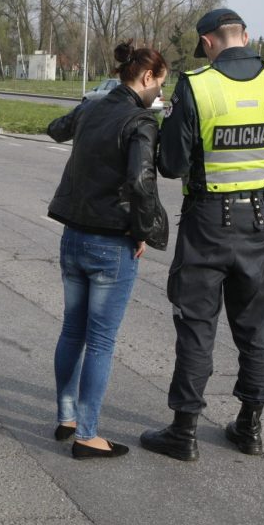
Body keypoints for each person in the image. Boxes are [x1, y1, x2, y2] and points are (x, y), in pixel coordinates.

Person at [140, 9, 264, 461]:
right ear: (246, 36)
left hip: (207, 223)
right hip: (260, 220)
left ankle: (184, 433)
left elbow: (173, 165)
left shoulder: (198, 85)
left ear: (207, 42)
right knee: (255, 324)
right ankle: (250, 427)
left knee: (197, 326)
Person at [47, 41, 169, 460]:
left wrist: (83, 122)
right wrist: (144, 230)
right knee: (99, 341)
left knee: (72, 331)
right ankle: (88, 434)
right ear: (147, 77)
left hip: (73, 236)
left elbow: (55, 129)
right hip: (110, 243)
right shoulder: (141, 120)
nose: (160, 95)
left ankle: (66, 417)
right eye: (160, 85)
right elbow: (140, 182)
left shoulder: (93, 106)